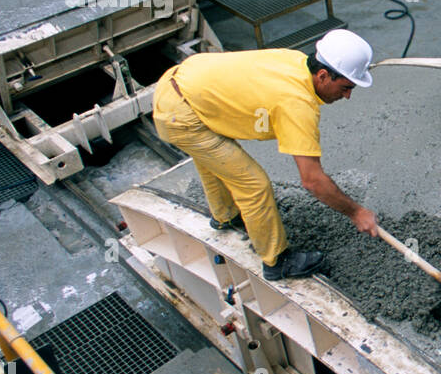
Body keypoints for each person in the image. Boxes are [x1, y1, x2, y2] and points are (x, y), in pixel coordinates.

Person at [152, 30, 381, 280]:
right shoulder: (296, 103)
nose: (348, 96)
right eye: (346, 88)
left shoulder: (295, 61)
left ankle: (225, 216)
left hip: (183, 84)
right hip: (181, 115)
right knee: (254, 185)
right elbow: (312, 180)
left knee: (215, 159)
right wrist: (356, 212)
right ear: (323, 75)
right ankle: (277, 262)